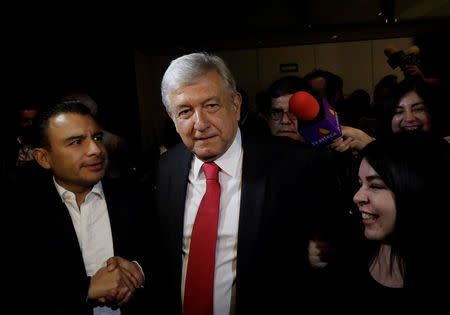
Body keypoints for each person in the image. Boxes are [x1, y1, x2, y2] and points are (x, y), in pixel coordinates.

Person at [149, 52, 338, 314]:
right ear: (171, 116)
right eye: (185, 111)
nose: (200, 124)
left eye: (211, 106)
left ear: (235, 105)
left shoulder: (294, 164)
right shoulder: (165, 167)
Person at [11, 100, 146, 314]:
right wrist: (86, 289)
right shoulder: (21, 212)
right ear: (43, 158)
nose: (95, 149)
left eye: (97, 137)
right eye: (76, 142)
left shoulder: (137, 195)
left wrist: (138, 271)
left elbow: (168, 255)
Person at [339, 132, 450, 310]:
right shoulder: (350, 253)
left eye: (375, 186)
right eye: (360, 183)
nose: (357, 197)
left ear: (416, 191)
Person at [259, 75, 307, 142]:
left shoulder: (322, 151)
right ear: (267, 118)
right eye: (276, 113)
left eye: (293, 112)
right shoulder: (251, 151)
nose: (285, 120)